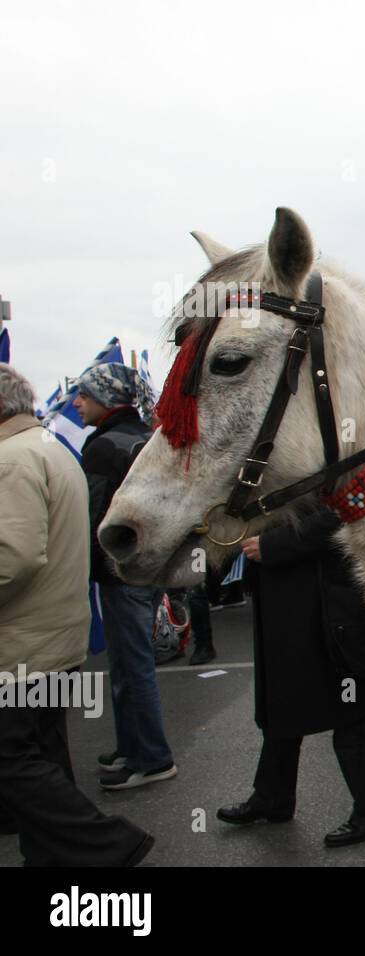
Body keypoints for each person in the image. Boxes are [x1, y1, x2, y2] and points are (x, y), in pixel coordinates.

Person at [0, 363, 154, 865]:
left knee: (12, 759)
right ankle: (49, 857)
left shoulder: (12, 460)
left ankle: (108, 842)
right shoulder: (48, 448)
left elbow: (14, 557)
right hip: (55, 633)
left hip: (21, 640)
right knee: (43, 752)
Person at [217, 507, 365, 848]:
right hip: (287, 594)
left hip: (325, 601)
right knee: (282, 701)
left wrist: (274, 545)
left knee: (349, 709)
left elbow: (338, 512)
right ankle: (273, 796)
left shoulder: (325, 453)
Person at [74, 363, 178, 790]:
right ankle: (130, 747)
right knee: (129, 662)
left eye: (84, 394)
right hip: (154, 568)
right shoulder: (147, 438)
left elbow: (92, 517)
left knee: (131, 665)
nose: (77, 402)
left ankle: (152, 758)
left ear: (107, 398)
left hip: (121, 573)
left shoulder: (103, 447)